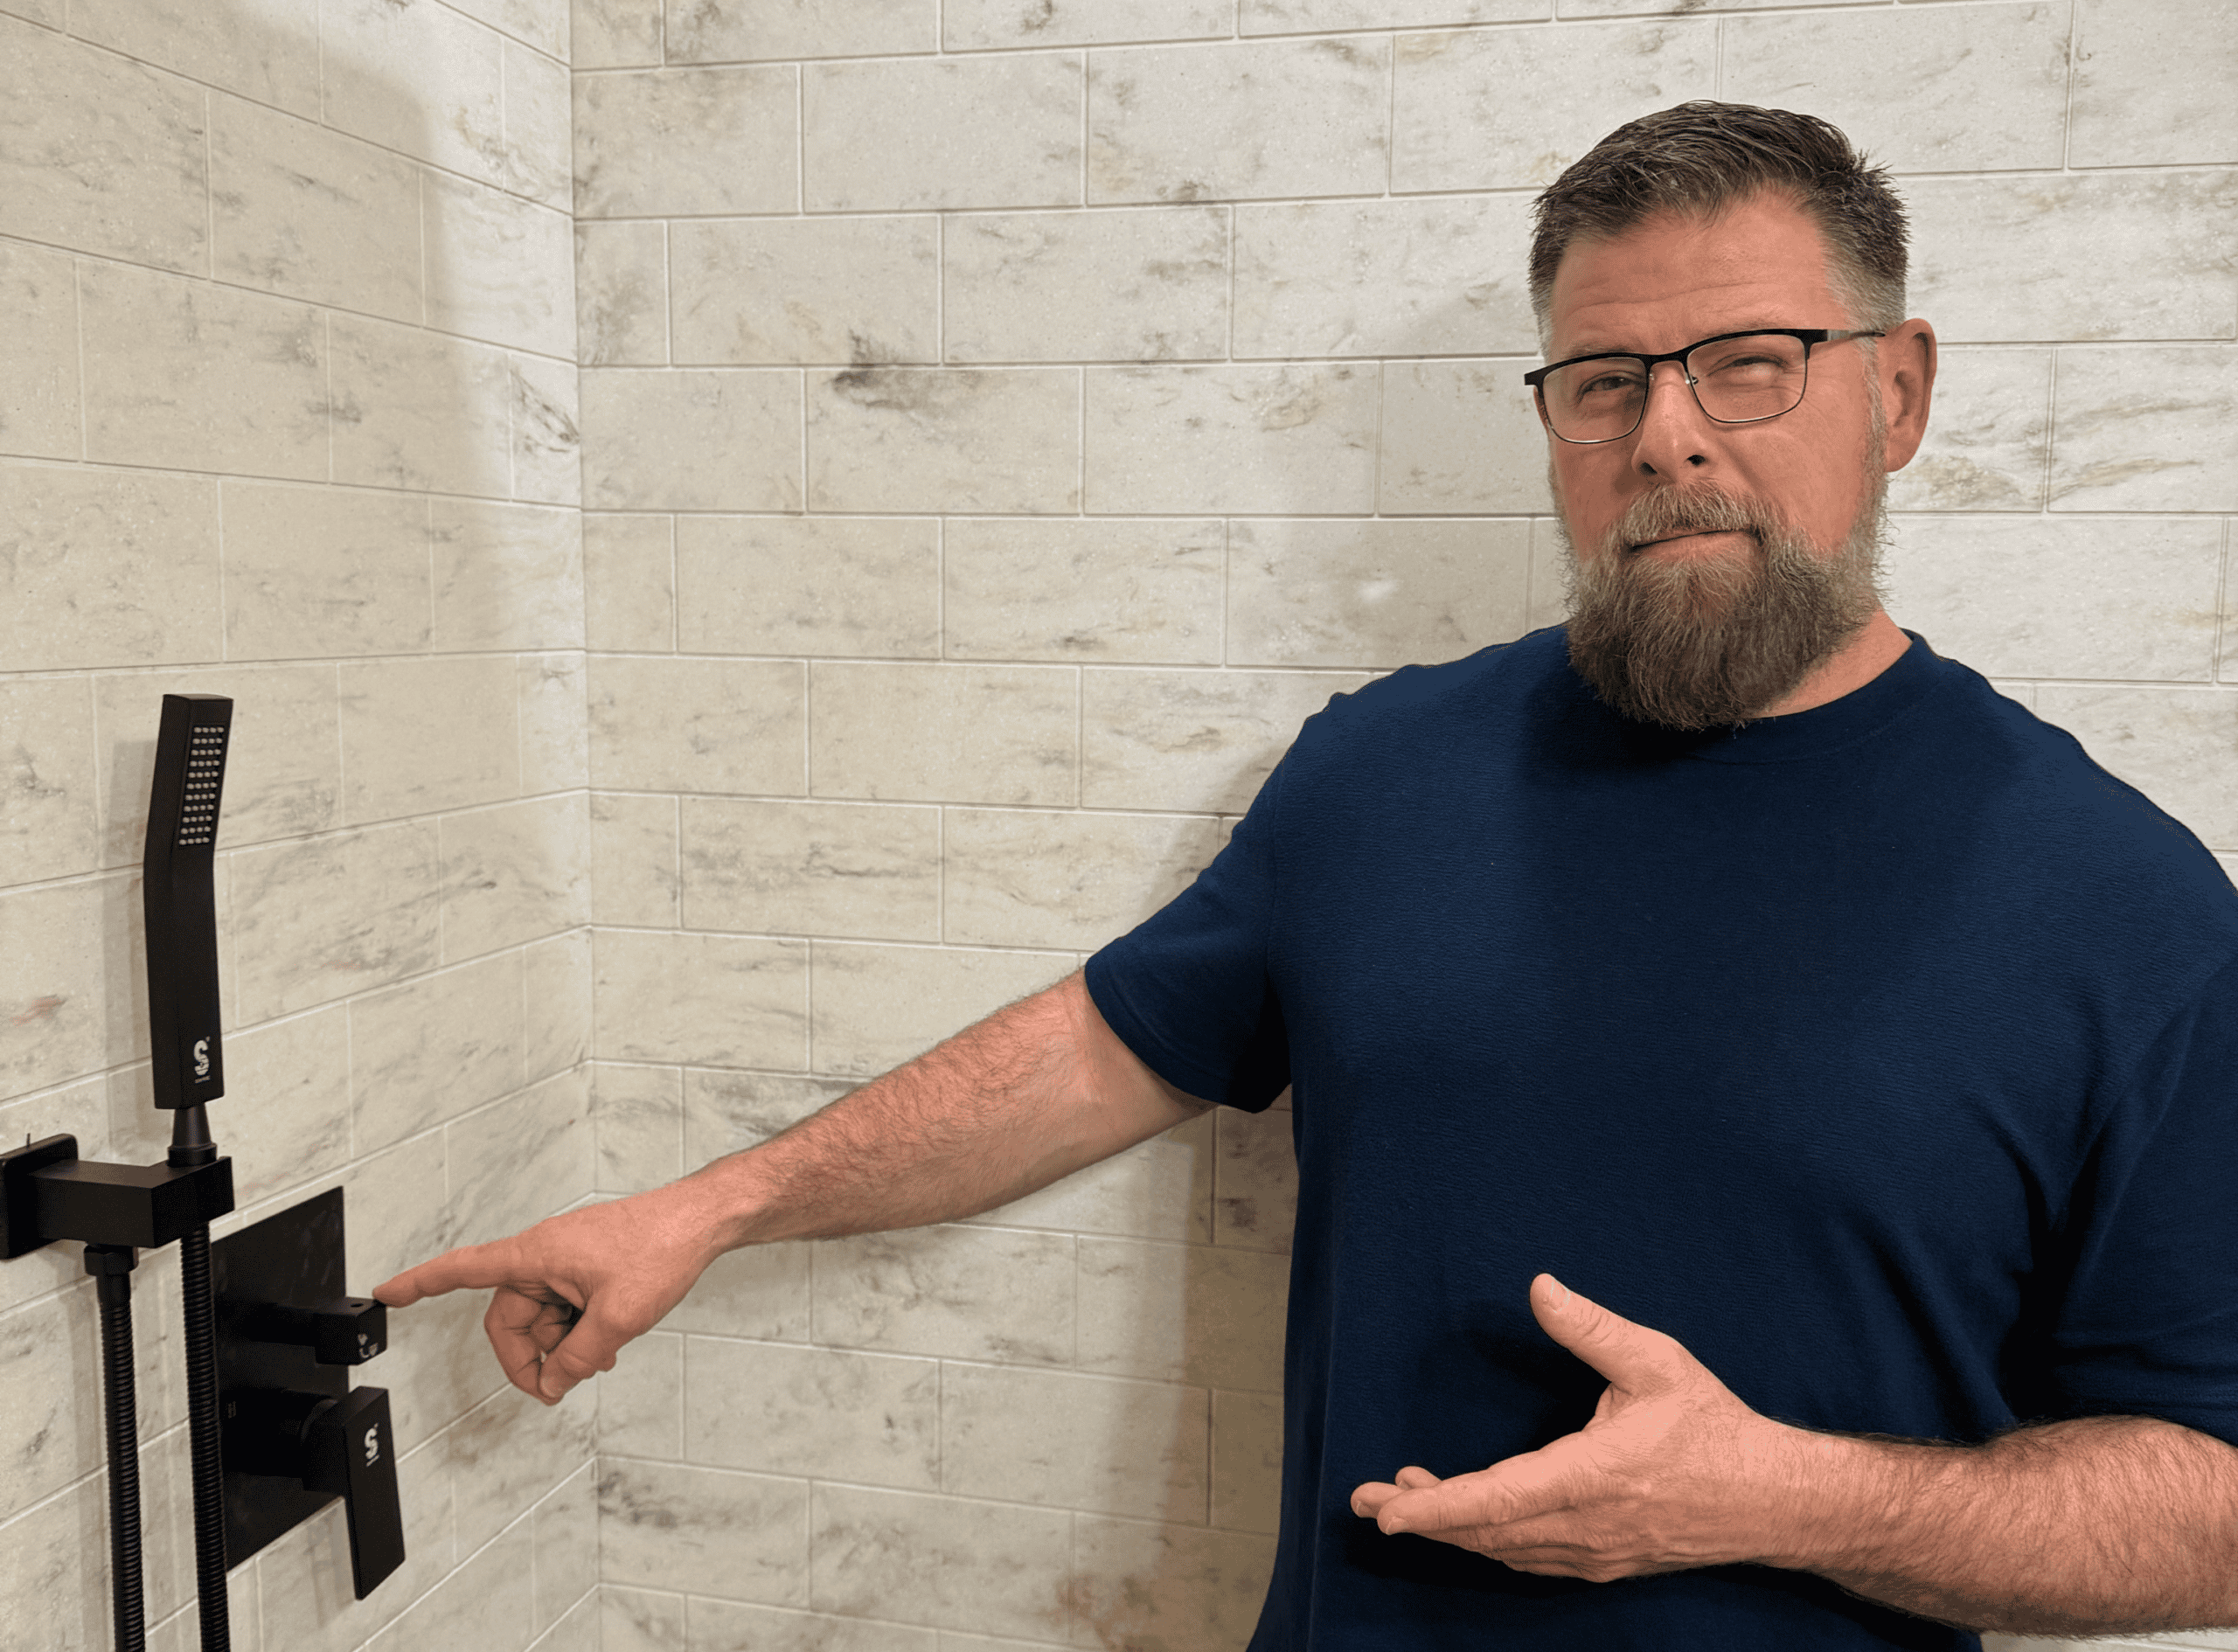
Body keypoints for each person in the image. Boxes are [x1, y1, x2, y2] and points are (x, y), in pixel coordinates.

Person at [376, 102, 2238, 1649]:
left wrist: (1780, 1497)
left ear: (1893, 394)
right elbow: (1107, 1047)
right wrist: (706, 1209)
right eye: (1602, 380)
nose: (1666, 432)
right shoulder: (1388, 767)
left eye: (1749, 365)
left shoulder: (2120, 907)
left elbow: (2210, 1505)